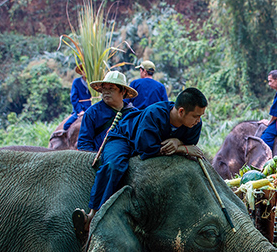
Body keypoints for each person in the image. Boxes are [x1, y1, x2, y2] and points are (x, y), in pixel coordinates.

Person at [73, 88, 208, 238]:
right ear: (181, 112)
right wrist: (182, 148)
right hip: (124, 137)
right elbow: (146, 149)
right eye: (195, 116)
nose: (198, 120)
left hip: (149, 143)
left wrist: (178, 141)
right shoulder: (154, 114)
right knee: (114, 166)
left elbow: (190, 143)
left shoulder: (195, 124)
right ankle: (93, 215)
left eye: (200, 116)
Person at [76, 70, 139, 152]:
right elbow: (84, 143)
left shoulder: (133, 113)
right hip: (100, 157)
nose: (106, 92)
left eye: (111, 88)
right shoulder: (92, 113)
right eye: (104, 88)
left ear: (123, 91)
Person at [63, 65, 92, 131]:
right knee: (66, 125)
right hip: (81, 108)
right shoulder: (76, 82)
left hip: (92, 107)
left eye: (87, 70)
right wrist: (80, 111)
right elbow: (74, 98)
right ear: (81, 72)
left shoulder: (93, 82)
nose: (85, 72)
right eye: (84, 70)